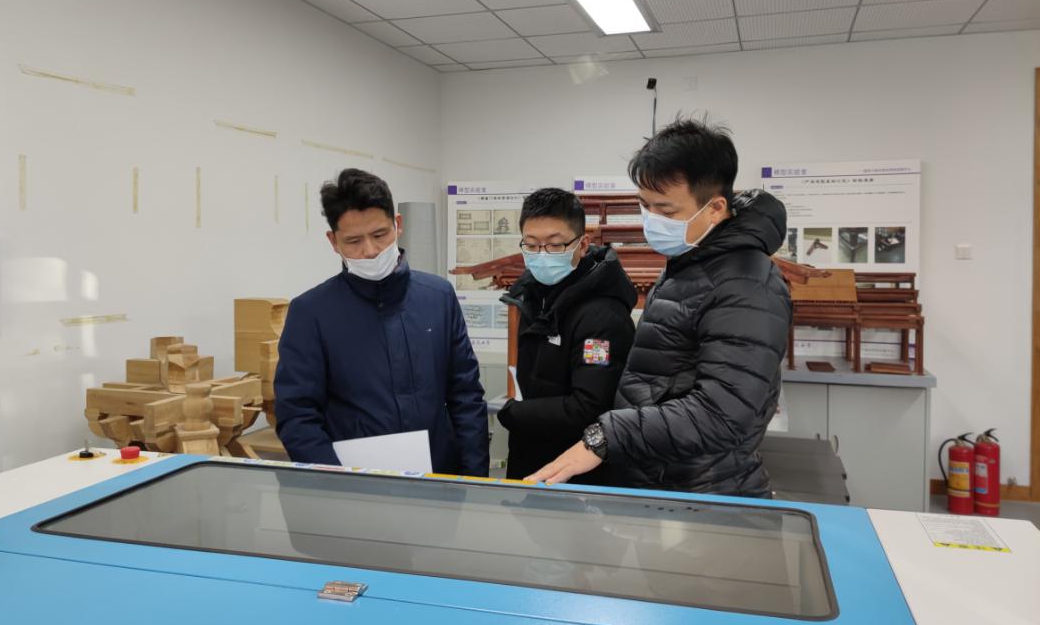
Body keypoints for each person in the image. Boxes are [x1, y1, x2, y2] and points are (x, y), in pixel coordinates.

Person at [527, 118, 791, 497]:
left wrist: (608, 435)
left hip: (702, 490)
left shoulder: (746, 283)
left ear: (715, 208)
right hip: (660, 477)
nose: (651, 220)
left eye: (665, 211)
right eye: (645, 206)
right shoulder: (690, 263)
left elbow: (721, 414)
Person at [274, 168, 489, 476]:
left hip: (441, 479)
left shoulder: (438, 297)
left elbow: (466, 396)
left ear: (397, 224)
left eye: (379, 235)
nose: (370, 251)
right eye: (353, 241)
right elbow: (297, 415)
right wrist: (339, 483)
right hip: (354, 486)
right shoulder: (311, 313)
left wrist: (475, 479)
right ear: (333, 241)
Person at [497, 188, 637, 483]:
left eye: (555, 244)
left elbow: (589, 407)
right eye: (531, 245)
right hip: (530, 460)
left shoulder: (603, 316)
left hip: (580, 473)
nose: (541, 255)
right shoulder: (531, 296)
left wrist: (514, 413)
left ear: (582, 244)